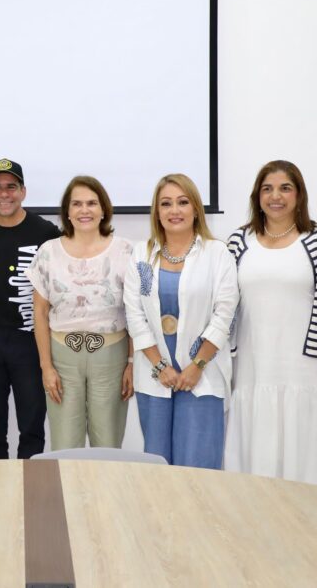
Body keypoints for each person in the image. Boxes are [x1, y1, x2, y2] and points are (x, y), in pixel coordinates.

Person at [222, 160, 317, 485]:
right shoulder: (239, 241)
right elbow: (224, 302)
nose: (276, 196)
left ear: (299, 195)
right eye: (268, 189)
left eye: (285, 188)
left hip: (307, 364)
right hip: (253, 360)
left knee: (304, 440)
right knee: (256, 440)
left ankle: (308, 509)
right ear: (257, 196)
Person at [123, 173, 238, 468]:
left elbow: (224, 314)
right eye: (166, 204)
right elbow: (135, 314)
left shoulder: (217, 253)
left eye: (183, 202)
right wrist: (160, 366)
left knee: (197, 466)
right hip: (155, 375)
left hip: (203, 374)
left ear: (196, 208)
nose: (174, 210)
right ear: (157, 212)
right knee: (158, 465)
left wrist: (197, 365)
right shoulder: (142, 254)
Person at [26, 176, 133, 451]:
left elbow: (135, 311)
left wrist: (132, 363)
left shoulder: (125, 251)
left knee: (107, 444)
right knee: (65, 446)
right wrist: (46, 367)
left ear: (103, 209)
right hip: (62, 358)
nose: (84, 210)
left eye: (92, 203)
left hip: (112, 358)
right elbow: (40, 313)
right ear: (67, 211)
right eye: (77, 204)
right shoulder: (48, 252)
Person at [0, 159, 61, 459]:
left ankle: (30, 482)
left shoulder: (46, 233)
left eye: (11, 187)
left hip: (31, 341)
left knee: (32, 424)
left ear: (23, 191)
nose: (4, 194)